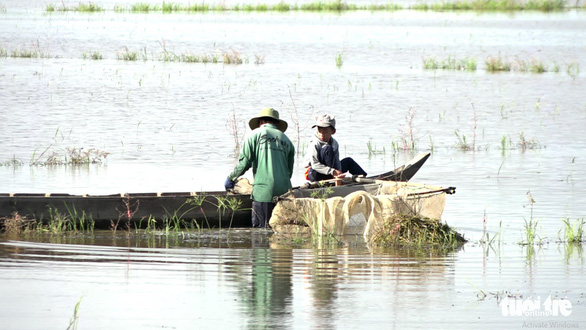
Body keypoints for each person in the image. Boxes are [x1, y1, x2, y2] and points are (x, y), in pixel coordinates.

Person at [225, 107, 295, 228]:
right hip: (285, 192)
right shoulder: (287, 140)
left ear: (260, 122)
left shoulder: (253, 136)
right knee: (280, 230)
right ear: (277, 124)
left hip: (263, 192)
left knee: (260, 232)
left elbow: (244, 163)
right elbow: (289, 172)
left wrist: (231, 179)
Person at [304, 114, 367, 183]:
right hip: (316, 172)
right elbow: (315, 165)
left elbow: (337, 162)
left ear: (333, 131)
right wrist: (333, 171)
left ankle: (363, 178)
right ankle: (333, 178)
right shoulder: (314, 143)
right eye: (320, 131)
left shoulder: (334, 143)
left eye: (325, 132)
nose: (322, 134)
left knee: (348, 161)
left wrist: (338, 172)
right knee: (327, 149)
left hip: (331, 172)